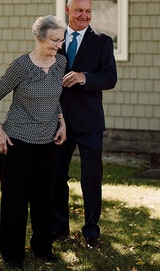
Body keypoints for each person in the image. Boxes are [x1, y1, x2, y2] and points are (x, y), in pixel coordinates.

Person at [0, 16, 67, 269]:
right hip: (17, 141)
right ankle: (12, 254)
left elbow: (54, 96)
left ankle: (42, 247)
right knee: (15, 199)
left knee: (45, 198)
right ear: (39, 37)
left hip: (47, 142)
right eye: (54, 40)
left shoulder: (60, 63)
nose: (59, 44)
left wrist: (62, 121)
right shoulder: (21, 66)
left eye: (61, 40)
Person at [53, 0, 118, 249]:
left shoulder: (102, 41)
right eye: (79, 10)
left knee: (91, 179)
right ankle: (58, 228)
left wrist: (85, 77)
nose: (84, 15)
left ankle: (91, 232)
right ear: (67, 10)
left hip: (89, 122)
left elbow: (110, 77)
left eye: (88, 11)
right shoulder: (55, 39)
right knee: (57, 176)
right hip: (57, 121)